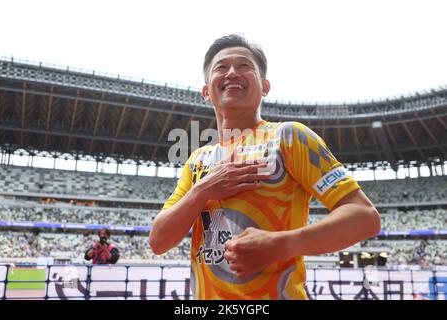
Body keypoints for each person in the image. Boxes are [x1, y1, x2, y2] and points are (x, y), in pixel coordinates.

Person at [149, 34, 381, 300]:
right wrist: (202, 190)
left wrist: (279, 244)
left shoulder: (290, 137)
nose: (233, 72)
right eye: (221, 67)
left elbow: (365, 218)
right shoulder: (197, 161)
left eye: (245, 66)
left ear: (264, 86)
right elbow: (158, 241)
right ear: (205, 91)